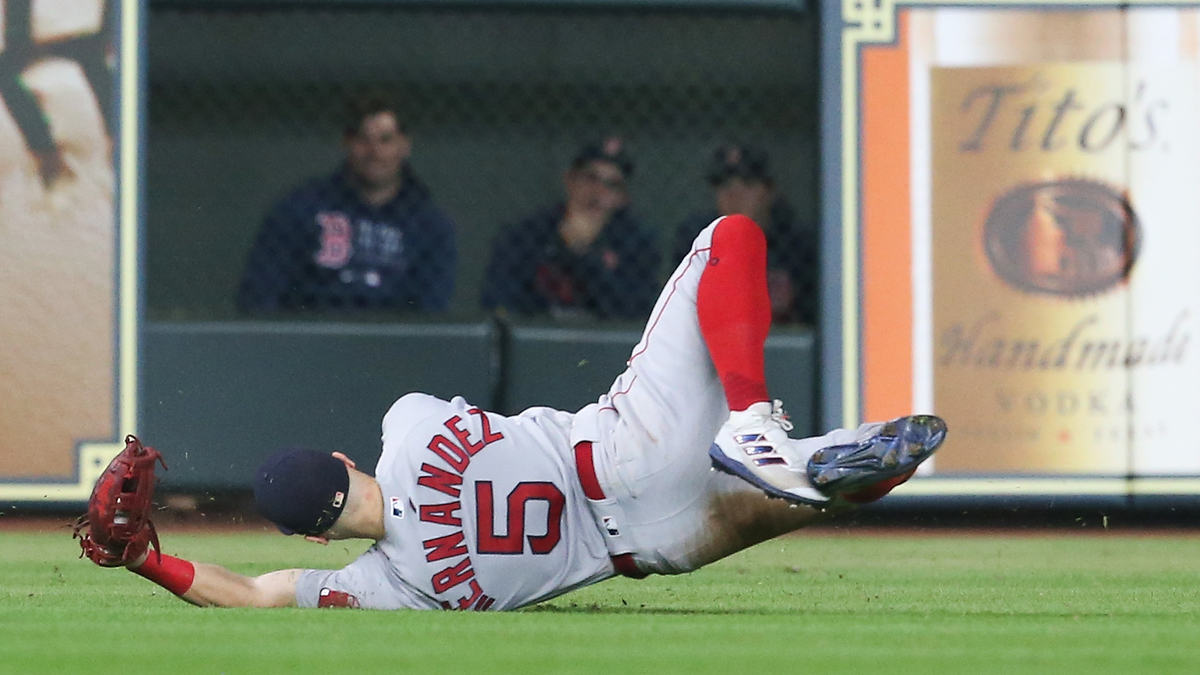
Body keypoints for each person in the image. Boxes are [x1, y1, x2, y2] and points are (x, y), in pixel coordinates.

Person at [102, 214, 946, 611]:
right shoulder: (411, 422)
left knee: (808, 491)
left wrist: (145, 558)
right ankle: (754, 420)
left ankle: (828, 472)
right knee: (731, 235)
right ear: (344, 460)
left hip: (661, 544)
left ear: (317, 537)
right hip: (616, 452)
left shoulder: (393, 585)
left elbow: (252, 595)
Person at [236, 96, 457, 313]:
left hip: (389, 344)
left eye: (385, 140)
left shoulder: (429, 225)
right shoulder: (300, 208)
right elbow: (260, 292)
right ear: (347, 143)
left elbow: (431, 312)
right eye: (363, 140)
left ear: (404, 145)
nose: (374, 152)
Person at [481, 137, 661, 320]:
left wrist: (584, 254)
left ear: (623, 198)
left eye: (611, 185)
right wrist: (560, 247)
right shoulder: (527, 233)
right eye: (590, 178)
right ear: (570, 180)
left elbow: (633, 314)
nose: (598, 193)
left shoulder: (635, 242)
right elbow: (500, 303)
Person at [673, 144, 819, 325]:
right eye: (724, 184)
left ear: (769, 191)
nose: (734, 194)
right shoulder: (697, 241)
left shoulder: (798, 244)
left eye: (747, 183)